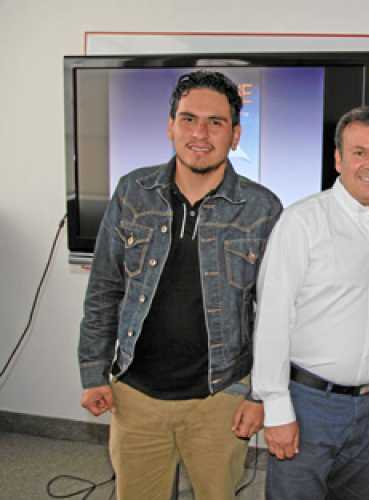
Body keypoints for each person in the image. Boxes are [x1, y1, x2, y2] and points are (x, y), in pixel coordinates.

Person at [77, 70, 282, 500]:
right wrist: (93, 372)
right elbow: (104, 290)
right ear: (171, 126)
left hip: (220, 398)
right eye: (188, 119)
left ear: (235, 135)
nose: (200, 134)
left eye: (215, 122)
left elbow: (275, 315)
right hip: (135, 397)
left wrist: (259, 394)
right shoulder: (132, 191)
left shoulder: (262, 208)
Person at [251, 106, 369, 500]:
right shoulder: (302, 222)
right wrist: (275, 407)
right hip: (308, 404)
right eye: (359, 152)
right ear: (338, 159)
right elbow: (272, 318)